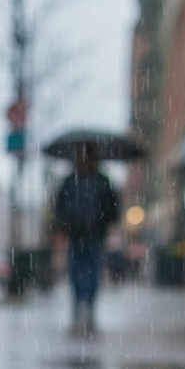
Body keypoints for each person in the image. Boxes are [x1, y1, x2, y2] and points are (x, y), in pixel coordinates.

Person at [54, 142, 120, 335]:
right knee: (79, 271)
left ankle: (87, 306)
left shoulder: (97, 181)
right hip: (78, 235)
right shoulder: (79, 181)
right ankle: (81, 306)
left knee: (89, 271)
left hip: (92, 235)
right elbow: (60, 208)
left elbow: (111, 208)